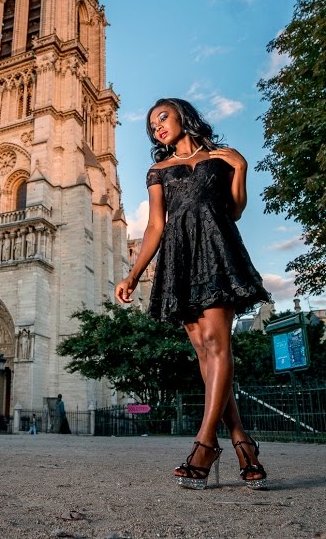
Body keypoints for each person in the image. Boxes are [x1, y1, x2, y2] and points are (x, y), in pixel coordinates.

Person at [116, 97, 273, 491]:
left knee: (218, 348)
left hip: (217, 250)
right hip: (180, 259)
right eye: (152, 125)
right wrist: (133, 275)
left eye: (163, 118)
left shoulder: (220, 158)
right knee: (205, 351)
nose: (158, 127)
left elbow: (234, 210)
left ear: (183, 117)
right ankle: (242, 443)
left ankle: (205, 446)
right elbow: (155, 226)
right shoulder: (157, 171)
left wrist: (242, 168)